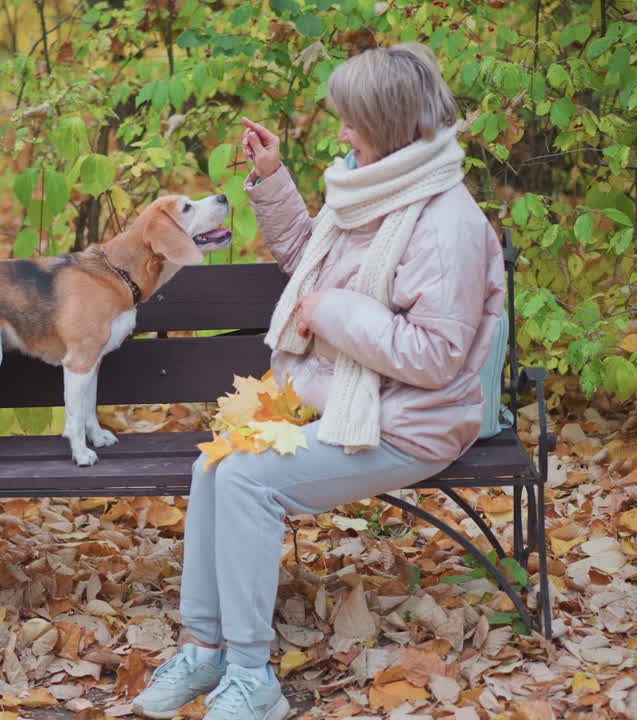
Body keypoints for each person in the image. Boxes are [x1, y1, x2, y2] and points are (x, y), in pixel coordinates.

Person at [132, 44, 507, 720]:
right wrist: (273, 180)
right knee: (215, 464)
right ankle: (204, 648)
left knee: (246, 479)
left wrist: (331, 314)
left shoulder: (446, 223)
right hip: (345, 403)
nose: (340, 134)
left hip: (408, 426)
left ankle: (253, 676)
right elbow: (313, 262)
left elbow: (437, 357)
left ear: (389, 124)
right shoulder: (379, 190)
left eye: (350, 120)